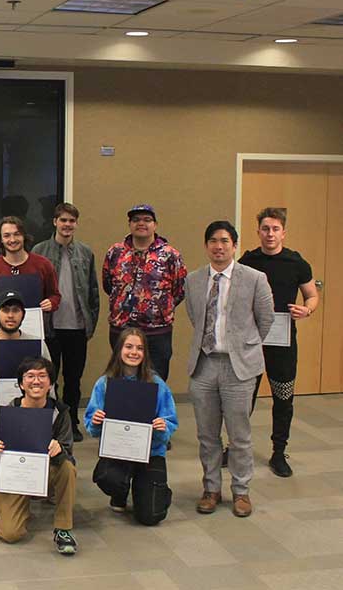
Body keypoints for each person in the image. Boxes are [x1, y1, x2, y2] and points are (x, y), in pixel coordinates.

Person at [185, 221, 273, 518]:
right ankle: (211, 488)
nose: (218, 246)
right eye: (213, 241)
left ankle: (241, 491)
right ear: (206, 245)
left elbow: (266, 320)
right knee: (207, 435)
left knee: (239, 435)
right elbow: (195, 318)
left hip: (239, 368)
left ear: (234, 245)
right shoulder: (194, 280)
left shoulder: (254, 278)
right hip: (204, 365)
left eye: (224, 241)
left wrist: (244, 346)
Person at [239, 207, 319, 478]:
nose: (270, 233)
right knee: (243, 398)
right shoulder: (248, 261)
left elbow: (312, 296)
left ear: (283, 232)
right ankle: (235, 447)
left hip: (283, 344)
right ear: (258, 231)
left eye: (275, 229)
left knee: (283, 398)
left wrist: (307, 309)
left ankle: (278, 452)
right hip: (251, 342)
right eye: (265, 228)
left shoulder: (297, 263)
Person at [84, 328, 178, 526]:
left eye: (139, 348)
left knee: (150, 517)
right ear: (119, 350)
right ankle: (120, 491)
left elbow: (170, 421)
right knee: (107, 477)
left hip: (150, 453)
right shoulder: (104, 384)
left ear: (145, 353)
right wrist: (96, 422)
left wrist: (163, 428)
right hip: (119, 451)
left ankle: (157, 490)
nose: (134, 352)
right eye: (129, 347)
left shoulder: (157, 384)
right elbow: (91, 424)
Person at [0, 356, 78, 554]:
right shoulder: (8, 412)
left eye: (42, 376)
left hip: (46, 473)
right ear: (21, 383)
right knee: (10, 534)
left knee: (67, 467)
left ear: (51, 383)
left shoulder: (60, 412)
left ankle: (63, 529)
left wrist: (59, 450)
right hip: (15, 477)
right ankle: (15, 506)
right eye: (30, 376)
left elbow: (69, 455)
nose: (36, 381)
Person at [32, 203, 99, 441]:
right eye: (63, 220)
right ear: (55, 222)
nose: (67, 225)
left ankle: (71, 422)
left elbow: (93, 291)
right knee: (48, 378)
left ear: (76, 224)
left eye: (71, 221)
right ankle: (50, 423)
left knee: (74, 379)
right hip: (49, 328)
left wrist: (91, 323)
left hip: (77, 327)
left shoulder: (85, 252)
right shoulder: (39, 251)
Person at [102, 204, 187, 382]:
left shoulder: (170, 255)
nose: (141, 223)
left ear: (155, 225)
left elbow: (179, 290)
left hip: (156, 332)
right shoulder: (115, 252)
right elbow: (108, 285)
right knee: (122, 381)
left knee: (154, 383)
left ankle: (152, 412)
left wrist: (158, 308)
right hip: (121, 330)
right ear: (129, 224)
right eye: (136, 220)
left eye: (147, 220)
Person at [0, 216, 60, 334]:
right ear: (0, 239)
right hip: (1, 335)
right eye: (6, 235)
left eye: (17, 234)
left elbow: (55, 295)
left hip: (36, 331)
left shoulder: (43, 265)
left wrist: (51, 303)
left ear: (24, 236)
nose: (12, 239)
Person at [0, 289, 51, 386]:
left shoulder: (38, 343)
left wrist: (50, 400)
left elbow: (49, 378)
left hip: (30, 400)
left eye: (15, 310)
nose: (10, 315)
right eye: (5, 310)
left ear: (23, 315)